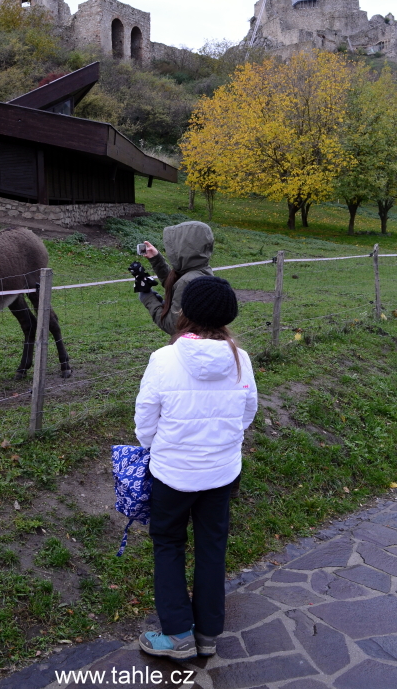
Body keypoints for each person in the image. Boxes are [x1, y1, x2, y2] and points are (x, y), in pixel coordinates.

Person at [134, 276, 257, 661]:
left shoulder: (164, 358)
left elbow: (145, 419)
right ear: (226, 318)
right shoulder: (240, 358)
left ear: (184, 313)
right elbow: (247, 412)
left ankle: (176, 634)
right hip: (221, 474)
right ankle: (206, 634)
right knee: (212, 546)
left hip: (172, 474)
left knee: (168, 543)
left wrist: (153, 448)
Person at [139, 220, 214, 337]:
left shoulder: (187, 281)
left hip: (190, 348)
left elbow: (173, 326)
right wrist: (156, 259)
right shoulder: (202, 270)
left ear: (183, 247)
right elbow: (175, 283)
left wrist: (148, 298)